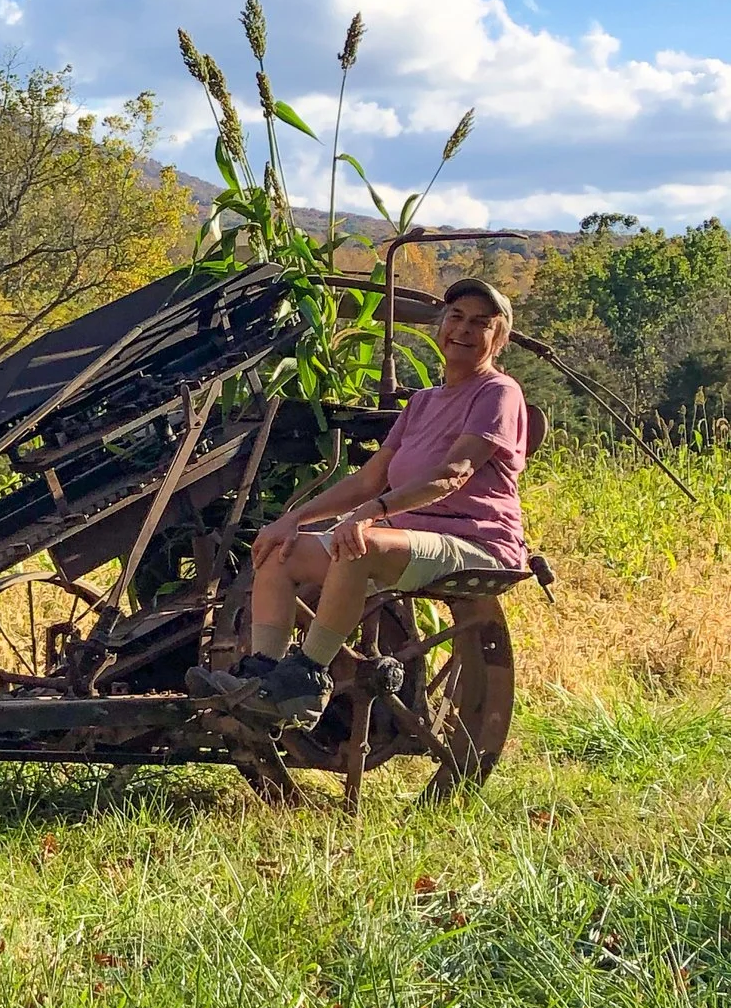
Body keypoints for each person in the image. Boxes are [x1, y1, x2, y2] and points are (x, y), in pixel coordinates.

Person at [188, 277, 531, 723]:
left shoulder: (498, 393)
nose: (463, 330)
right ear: (440, 325)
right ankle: (267, 680)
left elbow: (454, 474)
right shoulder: (422, 403)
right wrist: (294, 518)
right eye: (456, 317)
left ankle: (307, 678)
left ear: (498, 338)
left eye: (481, 324)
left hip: (473, 540)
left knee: (359, 545)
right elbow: (370, 478)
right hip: (409, 535)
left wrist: (372, 515)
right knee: (278, 552)